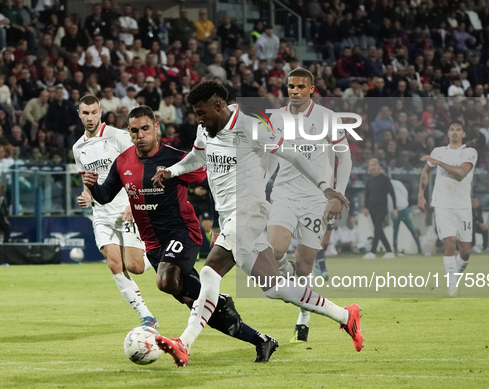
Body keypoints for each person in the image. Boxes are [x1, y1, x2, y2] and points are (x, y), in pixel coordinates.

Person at [151, 81, 362, 367]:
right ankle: (346, 316)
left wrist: (327, 188)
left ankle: (184, 342)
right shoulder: (206, 129)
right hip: (230, 216)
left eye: (201, 113)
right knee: (275, 287)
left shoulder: (252, 128)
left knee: (211, 272)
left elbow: (294, 154)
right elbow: (198, 157)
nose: (197, 119)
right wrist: (171, 170)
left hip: (249, 211)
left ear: (218, 106)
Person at [83, 105, 279, 363]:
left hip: (182, 233)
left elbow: (213, 185)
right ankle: (261, 340)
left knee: (165, 281)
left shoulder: (177, 158)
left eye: (145, 128)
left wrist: (217, 223)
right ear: (129, 133)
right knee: (198, 304)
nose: (140, 135)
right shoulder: (123, 161)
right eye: (134, 130)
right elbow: (105, 195)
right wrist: (92, 185)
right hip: (153, 244)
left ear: (156, 127)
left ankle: (215, 301)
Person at [266, 67, 352, 343]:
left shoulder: (328, 118)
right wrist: (260, 187)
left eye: (301, 87)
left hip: (316, 199)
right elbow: (270, 158)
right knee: (275, 249)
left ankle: (303, 317)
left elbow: (345, 158)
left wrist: (337, 194)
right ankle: (289, 279)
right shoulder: (276, 117)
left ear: (311, 89)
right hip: (284, 193)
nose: (294, 90)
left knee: (305, 266)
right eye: (291, 86)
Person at [72, 94, 157, 328]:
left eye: (94, 112)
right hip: (101, 213)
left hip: (125, 208)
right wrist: (86, 195)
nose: (90, 118)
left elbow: (140, 166)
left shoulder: (118, 137)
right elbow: (87, 182)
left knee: (136, 267)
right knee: (114, 264)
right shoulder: (78, 147)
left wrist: (133, 202)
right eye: (85, 113)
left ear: (100, 112)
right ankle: (146, 316)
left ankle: (160, 253)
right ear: (79, 114)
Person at [418, 121, 478, 296]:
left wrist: (437, 162)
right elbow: (426, 171)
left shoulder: (469, 152)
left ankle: (455, 278)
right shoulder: (438, 151)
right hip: (442, 204)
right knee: (449, 244)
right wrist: (421, 194)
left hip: (463, 206)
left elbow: (461, 173)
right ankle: (452, 286)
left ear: (463, 134)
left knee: (465, 251)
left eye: (458, 130)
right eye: (452, 129)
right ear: (447, 133)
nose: (454, 132)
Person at [362, 159, 397, 259]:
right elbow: (367, 195)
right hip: (372, 208)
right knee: (378, 230)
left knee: (377, 228)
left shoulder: (385, 179)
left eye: (374, 164)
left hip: (382, 207)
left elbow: (392, 193)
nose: (372, 167)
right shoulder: (369, 181)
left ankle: (372, 252)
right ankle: (389, 251)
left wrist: (394, 208)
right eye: (370, 165)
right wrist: (365, 207)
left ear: (378, 167)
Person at [389, 179, 422, 254]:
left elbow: (405, 192)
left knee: (411, 228)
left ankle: (419, 247)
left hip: (403, 209)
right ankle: (395, 249)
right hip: (394, 211)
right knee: (395, 231)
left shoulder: (396, 183)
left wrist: (403, 202)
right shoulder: (384, 186)